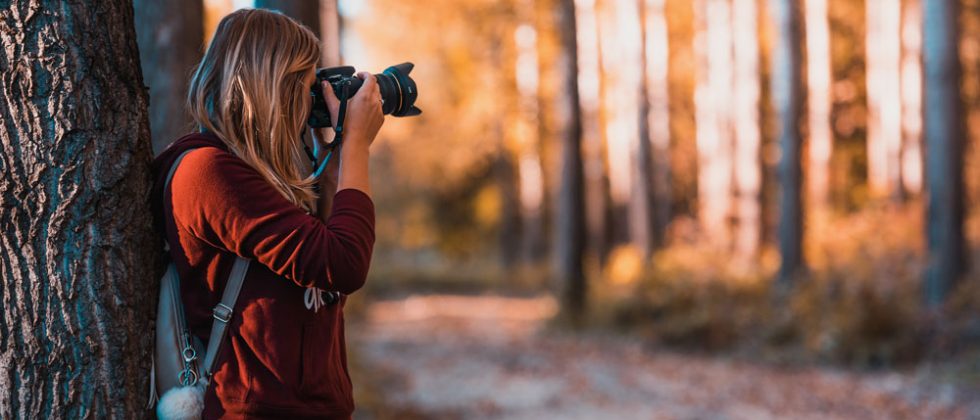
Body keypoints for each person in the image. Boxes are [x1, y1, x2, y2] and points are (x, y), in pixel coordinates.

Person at [150, 8, 383, 419]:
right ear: (275, 87)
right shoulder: (208, 172)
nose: (308, 101)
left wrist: (327, 145)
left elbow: (324, 247)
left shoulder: (254, 175)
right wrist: (356, 147)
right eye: (304, 87)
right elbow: (342, 263)